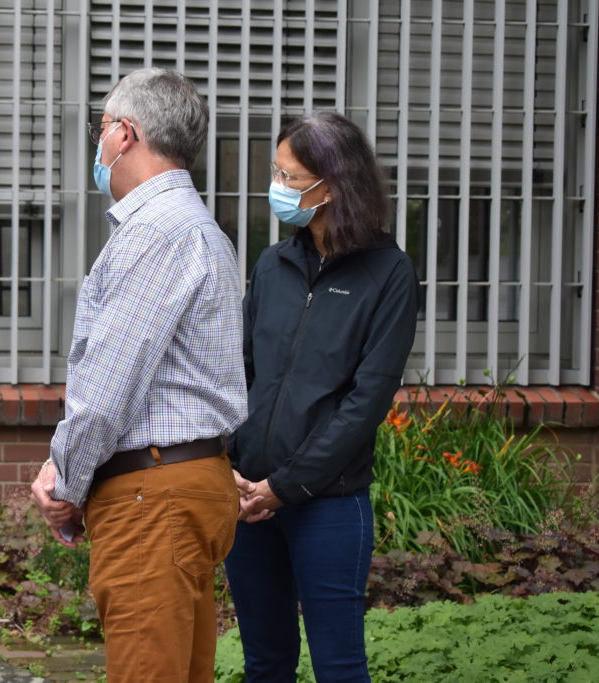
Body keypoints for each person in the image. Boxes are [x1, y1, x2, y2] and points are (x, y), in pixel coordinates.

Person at [30, 68, 248, 682]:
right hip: (181, 483)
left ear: (124, 134)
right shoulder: (195, 228)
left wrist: (64, 482)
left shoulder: (157, 232)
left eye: (101, 130)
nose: (98, 147)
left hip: (153, 495)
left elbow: (107, 389)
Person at [225, 111, 418, 682]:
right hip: (246, 502)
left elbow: (367, 402)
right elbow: (241, 370)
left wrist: (284, 487)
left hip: (328, 505)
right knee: (265, 663)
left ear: (331, 185)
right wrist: (234, 464)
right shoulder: (273, 263)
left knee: (339, 667)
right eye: (275, 172)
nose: (277, 188)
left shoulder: (389, 274)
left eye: (288, 177)